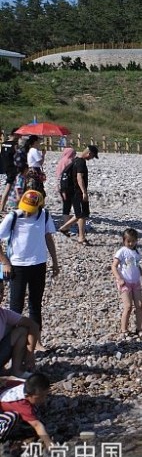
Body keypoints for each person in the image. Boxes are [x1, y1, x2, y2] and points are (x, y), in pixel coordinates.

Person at [0, 191, 59, 349]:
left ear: (39, 206)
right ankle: (10, 344)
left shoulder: (44, 215)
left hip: (39, 264)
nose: (26, 212)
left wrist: (55, 261)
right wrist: (5, 262)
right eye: (24, 208)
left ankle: (36, 342)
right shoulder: (14, 217)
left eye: (30, 209)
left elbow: (48, 238)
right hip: (17, 266)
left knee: (35, 304)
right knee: (15, 306)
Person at [111, 228, 142, 336]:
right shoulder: (122, 251)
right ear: (124, 240)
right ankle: (124, 329)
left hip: (136, 282)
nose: (131, 243)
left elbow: (137, 267)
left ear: (136, 241)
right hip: (125, 282)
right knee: (128, 306)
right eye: (128, 241)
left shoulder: (136, 253)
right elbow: (114, 266)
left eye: (133, 241)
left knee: (139, 305)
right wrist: (119, 279)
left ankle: (139, 328)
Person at [56, 144, 98, 245]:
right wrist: (84, 192)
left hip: (74, 191)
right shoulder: (80, 162)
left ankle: (65, 228)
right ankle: (81, 237)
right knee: (82, 214)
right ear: (89, 153)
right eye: (92, 156)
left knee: (82, 214)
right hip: (78, 192)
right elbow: (79, 177)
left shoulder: (75, 160)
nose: (92, 158)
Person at [0, 374, 53, 448]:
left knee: (35, 410)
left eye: (45, 395)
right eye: (40, 397)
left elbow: (8, 380)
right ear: (27, 396)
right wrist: (49, 443)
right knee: (12, 417)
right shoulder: (22, 405)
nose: (44, 399)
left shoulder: (24, 384)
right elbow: (37, 425)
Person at [0, 305, 40, 379]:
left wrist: (30, 354)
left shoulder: (4, 313)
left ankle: (16, 371)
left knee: (21, 331)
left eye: (1, 293)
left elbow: (33, 325)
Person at [53, 147, 75, 220]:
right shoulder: (69, 161)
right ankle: (66, 222)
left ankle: (66, 220)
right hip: (66, 185)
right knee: (67, 204)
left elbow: (58, 174)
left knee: (66, 203)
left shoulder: (62, 161)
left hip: (61, 185)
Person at [0, 132, 16, 211]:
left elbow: (2, 155)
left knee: (10, 186)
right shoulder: (15, 145)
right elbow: (16, 157)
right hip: (12, 168)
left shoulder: (3, 144)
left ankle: (3, 206)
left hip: (5, 167)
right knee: (9, 187)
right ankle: (1, 207)